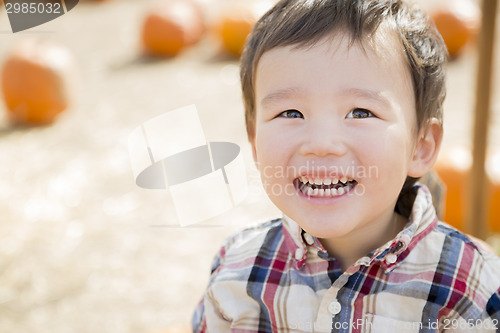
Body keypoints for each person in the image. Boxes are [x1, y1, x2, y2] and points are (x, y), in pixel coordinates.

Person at [192, 0, 500, 331]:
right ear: (254, 142)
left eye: (360, 112)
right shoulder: (236, 271)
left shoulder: (469, 286)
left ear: (420, 145)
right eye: (291, 113)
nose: (322, 143)